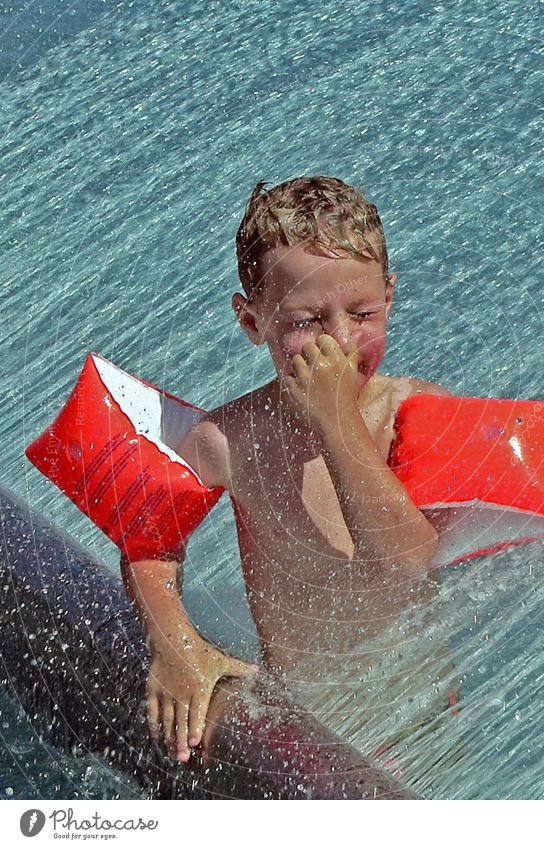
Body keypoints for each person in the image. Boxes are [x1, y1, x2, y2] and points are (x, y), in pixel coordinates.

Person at [120, 176, 458, 771]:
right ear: (253, 324)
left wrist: (336, 423)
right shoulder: (232, 440)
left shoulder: (413, 413)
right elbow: (149, 538)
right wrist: (176, 644)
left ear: (391, 296)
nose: (340, 341)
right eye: (306, 320)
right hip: (305, 725)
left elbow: (407, 560)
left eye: (363, 313)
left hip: (422, 717)